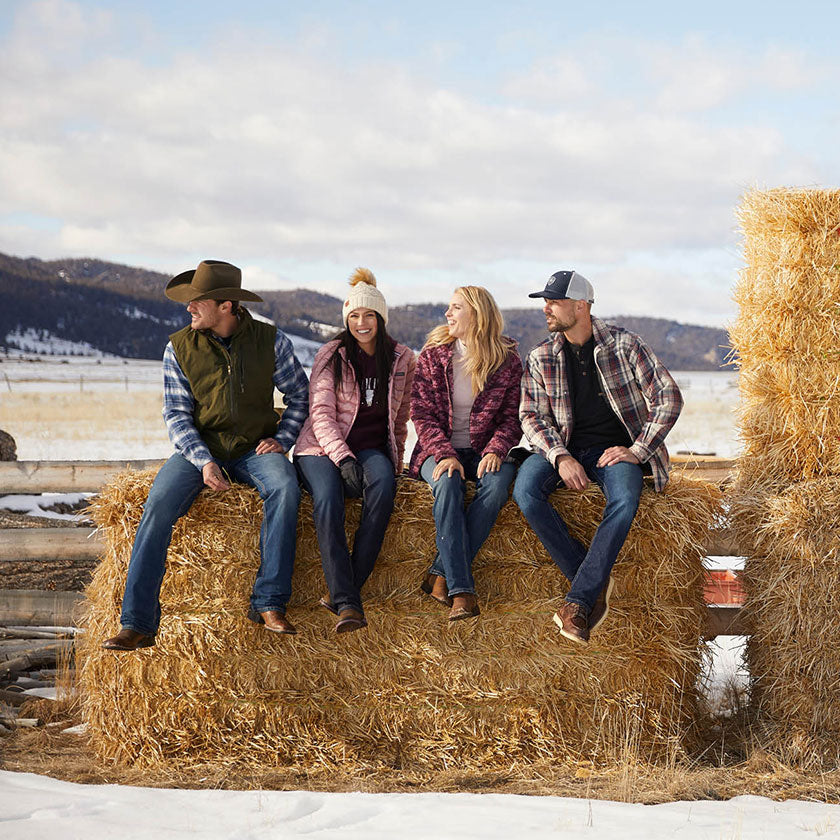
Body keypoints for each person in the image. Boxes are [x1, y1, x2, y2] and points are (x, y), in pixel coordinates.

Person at [102, 260, 309, 650]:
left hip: (254, 448)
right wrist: (203, 460)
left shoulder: (271, 341)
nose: (189, 308)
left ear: (227, 305)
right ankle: (138, 622)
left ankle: (269, 602)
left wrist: (283, 437)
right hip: (200, 448)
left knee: (285, 488)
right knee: (158, 503)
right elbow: (177, 416)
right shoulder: (178, 346)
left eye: (198, 301)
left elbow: (300, 395)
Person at [512, 270, 683, 645]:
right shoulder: (541, 356)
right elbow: (530, 416)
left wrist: (637, 451)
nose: (546, 309)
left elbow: (669, 397)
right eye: (545, 301)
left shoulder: (625, 345)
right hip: (565, 448)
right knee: (525, 492)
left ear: (581, 306)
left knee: (624, 500)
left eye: (554, 302)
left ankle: (577, 600)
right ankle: (590, 583)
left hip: (616, 451)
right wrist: (559, 456)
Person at [294, 268, 415, 633]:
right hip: (319, 448)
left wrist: (397, 458)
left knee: (383, 486)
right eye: (354, 316)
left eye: (368, 315)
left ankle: (345, 590)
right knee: (328, 497)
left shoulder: (401, 358)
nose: (361, 323)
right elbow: (321, 415)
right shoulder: (331, 355)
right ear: (346, 320)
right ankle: (349, 604)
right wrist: (342, 456)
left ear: (381, 318)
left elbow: (401, 414)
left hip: (370, 447)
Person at [409, 286, 523, 622]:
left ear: (477, 314)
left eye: (456, 307)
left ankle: (440, 573)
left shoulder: (508, 361)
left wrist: (497, 448)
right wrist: (444, 453)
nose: (448, 313)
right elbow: (421, 412)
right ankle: (461, 592)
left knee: (498, 484)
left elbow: (511, 418)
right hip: (436, 449)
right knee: (447, 484)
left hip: (483, 450)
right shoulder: (434, 355)